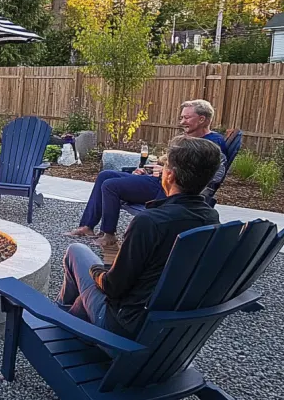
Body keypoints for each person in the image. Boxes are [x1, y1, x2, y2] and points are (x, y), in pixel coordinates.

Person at [57, 135, 222, 339]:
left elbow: (112, 287)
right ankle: (71, 321)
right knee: (83, 300)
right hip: (166, 330)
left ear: (169, 176)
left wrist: (95, 270)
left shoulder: (150, 222)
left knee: (77, 252)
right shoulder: (210, 218)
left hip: (124, 328)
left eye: (164, 166)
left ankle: (59, 319)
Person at [67, 99, 227, 248]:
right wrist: (151, 168)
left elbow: (197, 174)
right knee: (105, 175)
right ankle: (87, 226)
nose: (182, 122)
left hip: (169, 187)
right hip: (160, 178)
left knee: (110, 186)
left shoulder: (211, 145)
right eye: (182, 118)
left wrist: (165, 170)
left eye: (187, 118)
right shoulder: (191, 138)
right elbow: (169, 160)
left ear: (202, 119)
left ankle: (109, 234)